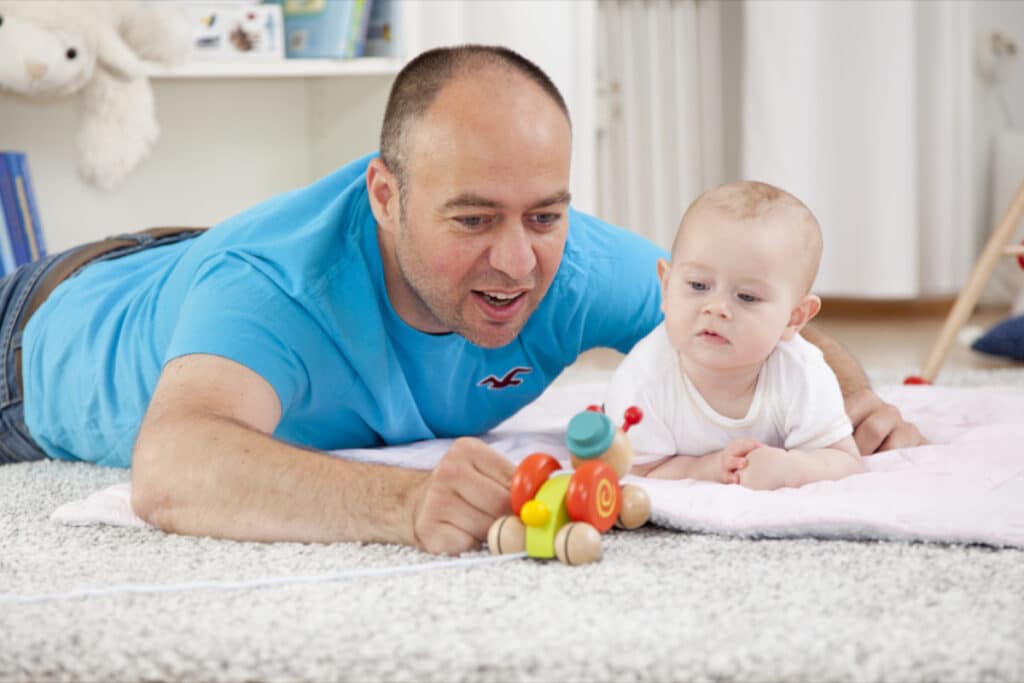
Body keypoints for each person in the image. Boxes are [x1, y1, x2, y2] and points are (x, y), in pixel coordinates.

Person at [0, 45, 924, 554]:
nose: (517, 260)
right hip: (37, 337)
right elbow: (171, 466)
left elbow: (746, 322)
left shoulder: (569, 259)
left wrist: (855, 398)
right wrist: (402, 506)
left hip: (174, 266)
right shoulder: (275, 285)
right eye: (474, 219)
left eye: (545, 213)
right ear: (386, 197)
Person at [605, 181, 863, 489]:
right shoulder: (643, 381)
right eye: (698, 286)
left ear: (795, 317)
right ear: (666, 285)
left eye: (747, 297)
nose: (716, 309)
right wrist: (708, 468)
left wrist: (794, 468)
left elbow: (844, 459)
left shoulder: (802, 373)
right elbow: (640, 472)